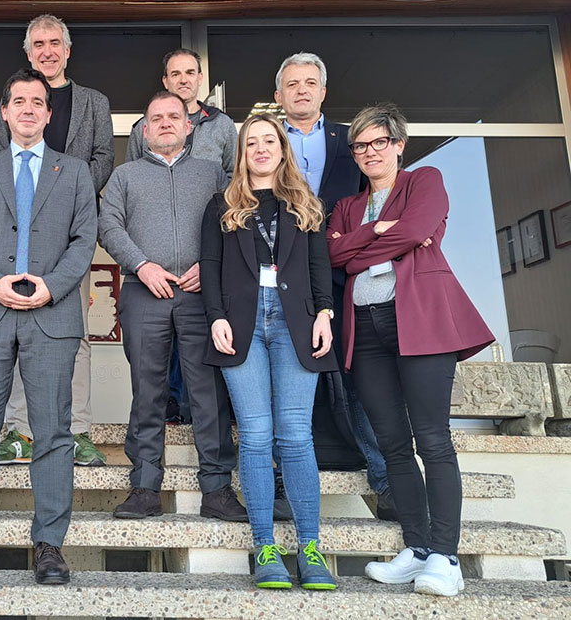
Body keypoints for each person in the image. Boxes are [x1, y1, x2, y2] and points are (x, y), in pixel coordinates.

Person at [328, 103, 494, 597]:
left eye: (379, 142)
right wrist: (376, 234)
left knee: (433, 440)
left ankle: (445, 558)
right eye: (360, 145)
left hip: (418, 323)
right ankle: (417, 549)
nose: (369, 152)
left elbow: (418, 229)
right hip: (368, 330)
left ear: (399, 145)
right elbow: (333, 254)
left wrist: (367, 244)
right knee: (392, 444)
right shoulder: (346, 207)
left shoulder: (425, 180)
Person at [0, 68, 97, 586]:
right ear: (4, 113)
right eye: (19, 101)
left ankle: (49, 546)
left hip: (52, 314)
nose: (29, 109)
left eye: (38, 102)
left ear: (49, 114)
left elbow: (83, 239)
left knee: (52, 434)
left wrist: (52, 285)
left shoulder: (73, 172)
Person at [200, 113, 337, 591]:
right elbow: (211, 269)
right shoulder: (222, 205)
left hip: (296, 322)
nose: (260, 149)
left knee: (297, 436)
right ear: (241, 154)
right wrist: (216, 316)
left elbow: (320, 268)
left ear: (282, 149)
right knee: (256, 436)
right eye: (250, 142)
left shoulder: (306, 205)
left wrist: (326, 314)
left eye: (268, 141)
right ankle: (265, 548)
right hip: (241, 325)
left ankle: (311, 549)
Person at [99, 91, 243, 522]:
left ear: (188, 126)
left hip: (203, 296)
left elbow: (235, 220)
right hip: (145, 293)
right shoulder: (125, 176)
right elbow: (108, 225)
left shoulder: (214, 173)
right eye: (155, 118)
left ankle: (217, 489)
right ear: (144, 130)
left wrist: (209, 264)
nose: (164, 123)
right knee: (148, 392)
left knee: (208, 393)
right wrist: (142, 266)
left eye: (173, 117)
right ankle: (144, 487)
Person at [0, 14, 113, 467]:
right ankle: (19, 430)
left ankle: (76, 431)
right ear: (28, 52)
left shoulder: (93, 102)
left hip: (71, 235)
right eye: (38, 43)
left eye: (55, 42)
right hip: (15, 236)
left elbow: (103, 156)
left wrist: (63, 196)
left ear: (67, 49)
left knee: (72, 334)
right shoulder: (13, 98)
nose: (47, 50)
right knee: (19, 333)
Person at [272, 51, 394, 521]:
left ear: (323, 91)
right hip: (280, 279)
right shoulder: (263, 141)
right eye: (292, 84)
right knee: (283, 384)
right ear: (278, 96)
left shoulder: (354, 141)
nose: (301, 90)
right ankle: (281, 481)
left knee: (360, 379)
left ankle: (386, 480)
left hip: (347, 276)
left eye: (310, 82)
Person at [125, 48, 239, 423]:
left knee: (200, 358)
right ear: (166, 81)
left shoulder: (222, 126)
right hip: (154, 275)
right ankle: (172, 407)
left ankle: (197, 414)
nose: (184, 79)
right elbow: (134, 190)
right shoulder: (144, 129)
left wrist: (211, 264)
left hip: (200, 269)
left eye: (190, 72)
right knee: (157, 358)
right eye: (175, 73)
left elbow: (232, 191)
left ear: (200, 79)